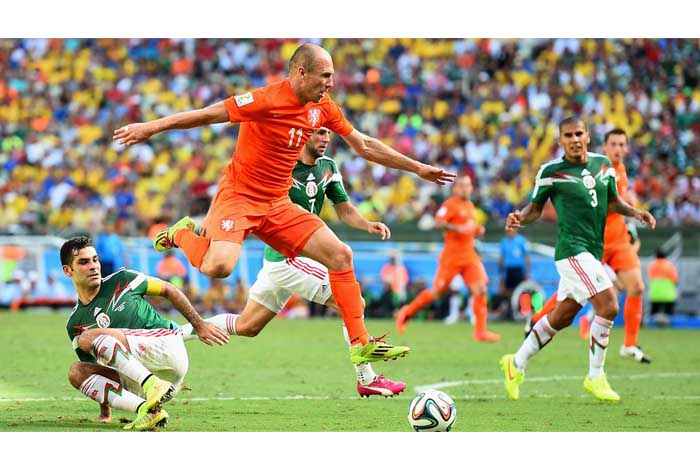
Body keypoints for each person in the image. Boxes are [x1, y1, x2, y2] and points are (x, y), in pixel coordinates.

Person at [113, 43, 455, 367]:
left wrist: (418, 168)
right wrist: (151, 127)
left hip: (278, 202)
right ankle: (182, 234)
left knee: (341, 255)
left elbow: (364, 144)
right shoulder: (265, 99)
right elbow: (208, 115)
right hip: (240, 196)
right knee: (219, 267)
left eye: (332, 76)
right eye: (325, 76)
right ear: (301, 73)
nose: (330, 83)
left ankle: (361, 343)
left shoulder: (323, 107)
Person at [178, 127, 406, 397]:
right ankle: (367, 378)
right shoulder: (281, 167)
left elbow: (344, 209)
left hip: (282, 263)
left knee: (247, 326)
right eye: (319, 133)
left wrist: (366, 224)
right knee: (353, 301)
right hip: (287, 259)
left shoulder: (328, 167)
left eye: (327, 134)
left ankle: (173, 335)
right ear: (302, 134)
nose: (325, 139)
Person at [499, 117, 656, 403]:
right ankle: (595, 376)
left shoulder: (603, 166)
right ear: (560, 140)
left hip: (592, 250)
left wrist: (636, 213)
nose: (574, 139)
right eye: (568, 135)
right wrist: (519, 217)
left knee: (562, 316)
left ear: (587, 136)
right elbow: (535, 209)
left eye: (578, 133)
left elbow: (612, 202)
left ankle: (516, 363)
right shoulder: (551, 172)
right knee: (609, 305)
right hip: (572, 250)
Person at [61, 236, 228, 431]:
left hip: (165, 350)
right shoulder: (75, 324)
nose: (93, 266)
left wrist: (198, 324)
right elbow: (95, 369)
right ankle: (147, 411)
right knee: (77, 372)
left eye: (95, 260)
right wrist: (105, 411)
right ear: (67, 270)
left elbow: (168, 289)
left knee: (89, 337)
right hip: (145, 384)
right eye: (84, 262)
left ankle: (152, 384)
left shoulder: (123, 280)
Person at [525, 129, 652, 363]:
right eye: (613, 144)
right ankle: (536, 320)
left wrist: (632, 213)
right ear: (604, 146)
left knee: (636, 287)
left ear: (626, 148)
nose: (618, 149)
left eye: (622, 144)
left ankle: (629, 344)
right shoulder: (594, 169)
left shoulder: (620, 171)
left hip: (619, 240)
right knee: (572, 293)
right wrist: (624, 203)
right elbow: (599, 203)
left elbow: (617, 203)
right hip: (593, 240)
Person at [394, 174, 500, 342]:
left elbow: (468, 228)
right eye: (462, 185)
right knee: (437, 293)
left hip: (469, 256)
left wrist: (476, 230)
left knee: (480, 289)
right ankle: (407, 312)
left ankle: (480, 331)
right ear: (455, 188)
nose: (465, 189)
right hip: (452, 257)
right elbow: (438, 223)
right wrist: (457, 228)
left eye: (468, 185)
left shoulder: (470, 206)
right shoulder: (449, 205)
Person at [498, 228, 530, 318]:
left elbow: (527, 257)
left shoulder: (522, 241)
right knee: (508, 291)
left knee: (522, 290)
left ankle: (524, 311)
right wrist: (501, 273)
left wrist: (527, 272)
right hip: (508, 270)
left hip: (519, 270)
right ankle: (511, 310)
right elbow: (502, 258)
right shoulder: (504, 242)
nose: (510, 232)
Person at [647, 248, 678, 326]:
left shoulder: (652, 265)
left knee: (654, 313)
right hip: (668, 294)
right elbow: (675, 279)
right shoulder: (669, 265)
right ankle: (668, 325)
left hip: (655, 294)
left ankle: (652, 325)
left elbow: (650, 276)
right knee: (668, 314)